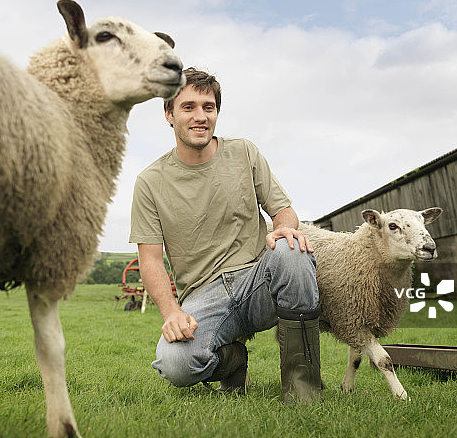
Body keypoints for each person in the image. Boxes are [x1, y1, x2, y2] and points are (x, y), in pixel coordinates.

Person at [129, 67, 321, 404]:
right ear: (168, 115)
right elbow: (151, 261)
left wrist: (285, 227)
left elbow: (282, 210)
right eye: (188, 107)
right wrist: (172, 313)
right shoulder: (150, 182)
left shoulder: (244, 152)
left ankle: (302, 393)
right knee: (177, 365)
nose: (200, 116)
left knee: (293, 250)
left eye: (209, 107)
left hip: (257, 279)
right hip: (204, 295)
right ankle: (232, 362)